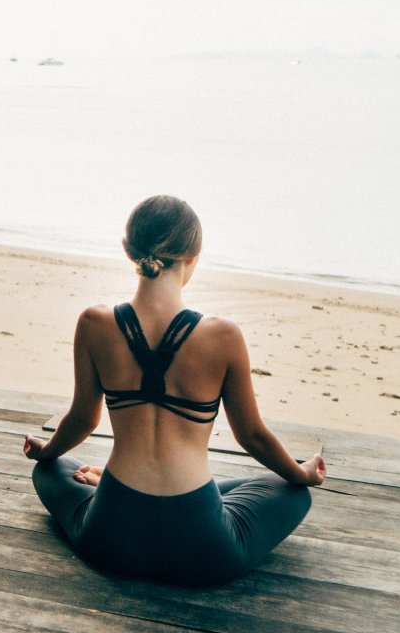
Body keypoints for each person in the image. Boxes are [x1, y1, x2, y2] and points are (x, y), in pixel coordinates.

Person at [23, 195, 323, 585]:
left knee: (51, 469)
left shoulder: (94, 323)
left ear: (129, 250)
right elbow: (252, 436)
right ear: (192, 256)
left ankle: (101, 481)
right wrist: (302, 474)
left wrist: (46, 451)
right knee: (290, 490)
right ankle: (239, 490)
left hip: (111, 539)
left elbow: (82, 420)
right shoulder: (223, 336)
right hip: (204, 551)